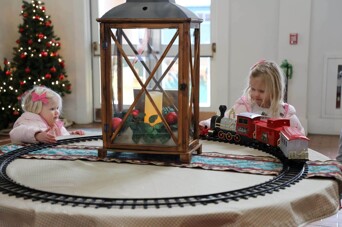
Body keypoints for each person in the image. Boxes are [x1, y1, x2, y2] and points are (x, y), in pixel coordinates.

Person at [200, 59, 305, 135]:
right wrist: (207, 123)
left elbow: (300, 132)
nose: (255, 94)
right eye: (253, 89)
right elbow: (225, 118)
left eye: (261, 91)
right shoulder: (245, 105)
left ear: (275, 91)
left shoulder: (285, 112)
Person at [10, 86, 85, 144]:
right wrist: (36, 135)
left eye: (57, 108)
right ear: (37, 109)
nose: (57, 112)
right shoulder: (29, 120)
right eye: (52, 109)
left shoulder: (55, 123)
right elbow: (15, 133)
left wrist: (71, 135)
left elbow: (58, 138)